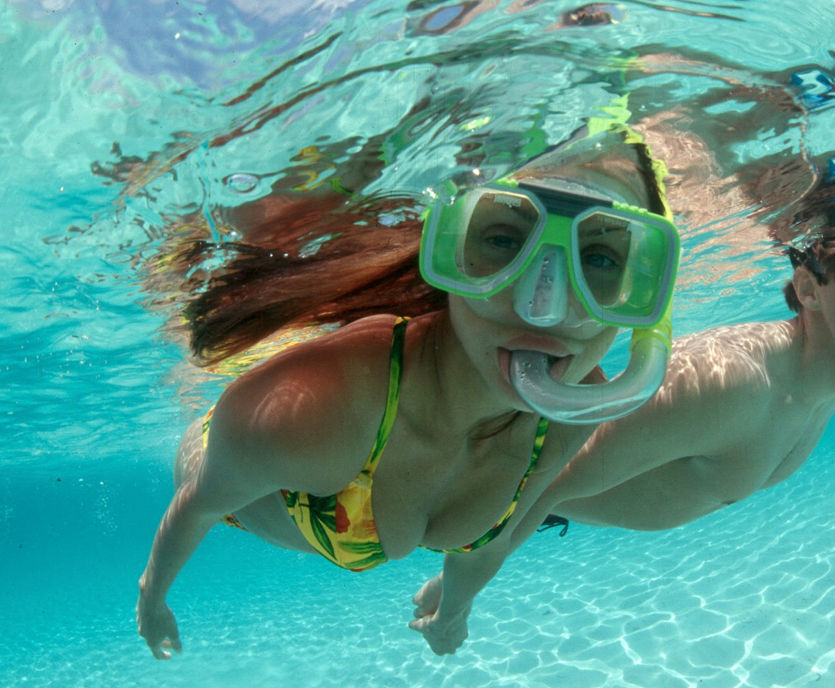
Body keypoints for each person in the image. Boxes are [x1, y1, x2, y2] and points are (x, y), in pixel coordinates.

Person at [135, 124, 682, 659]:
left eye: (600, 257)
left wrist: (454, 611)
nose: (546, 306)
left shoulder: (574, 411)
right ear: (449, 248)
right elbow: (197, 503)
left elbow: (500, 530)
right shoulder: (314, 407)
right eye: (502, 240)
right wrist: (153, 598)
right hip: (215, 463)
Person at [410, 152, 835, 652]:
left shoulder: (833, 376)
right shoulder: (732, 383)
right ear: (809, 289)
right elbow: (525, 489)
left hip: (542, 507)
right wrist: (454, 609)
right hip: (477, 489)